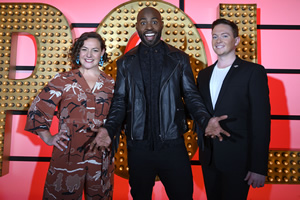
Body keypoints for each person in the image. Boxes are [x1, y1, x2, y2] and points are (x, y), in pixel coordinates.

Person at [92, 7, 229, 200]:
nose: (149, 26)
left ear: (161, 24)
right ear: (137, 27)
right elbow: (120, 102)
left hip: (173, 145)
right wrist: (109, 129)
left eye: (154, 21)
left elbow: (191, 96)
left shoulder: (179, 59)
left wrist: (205, 121)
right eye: (143, 22)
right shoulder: (125, 63)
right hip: (138, 147)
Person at [25, 32, 115, 199]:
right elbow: (39, 108)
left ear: (102, 52)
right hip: (67, 155)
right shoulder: (62, 80)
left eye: (94, 50)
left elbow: (120, 118)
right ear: (77, 52)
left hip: (101, 155)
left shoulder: (112, 84)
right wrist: (48, 137)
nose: (89, 55)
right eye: (84, 49)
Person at [196, 18, 271, 200]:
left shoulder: (253, 72)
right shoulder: (204, 75)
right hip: (209, 159)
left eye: (224, 35)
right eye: (214, 36)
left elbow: (261, 122)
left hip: (239, 161)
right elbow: (198, 112)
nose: (218, 40)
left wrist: (258, 167)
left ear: (236, 41)